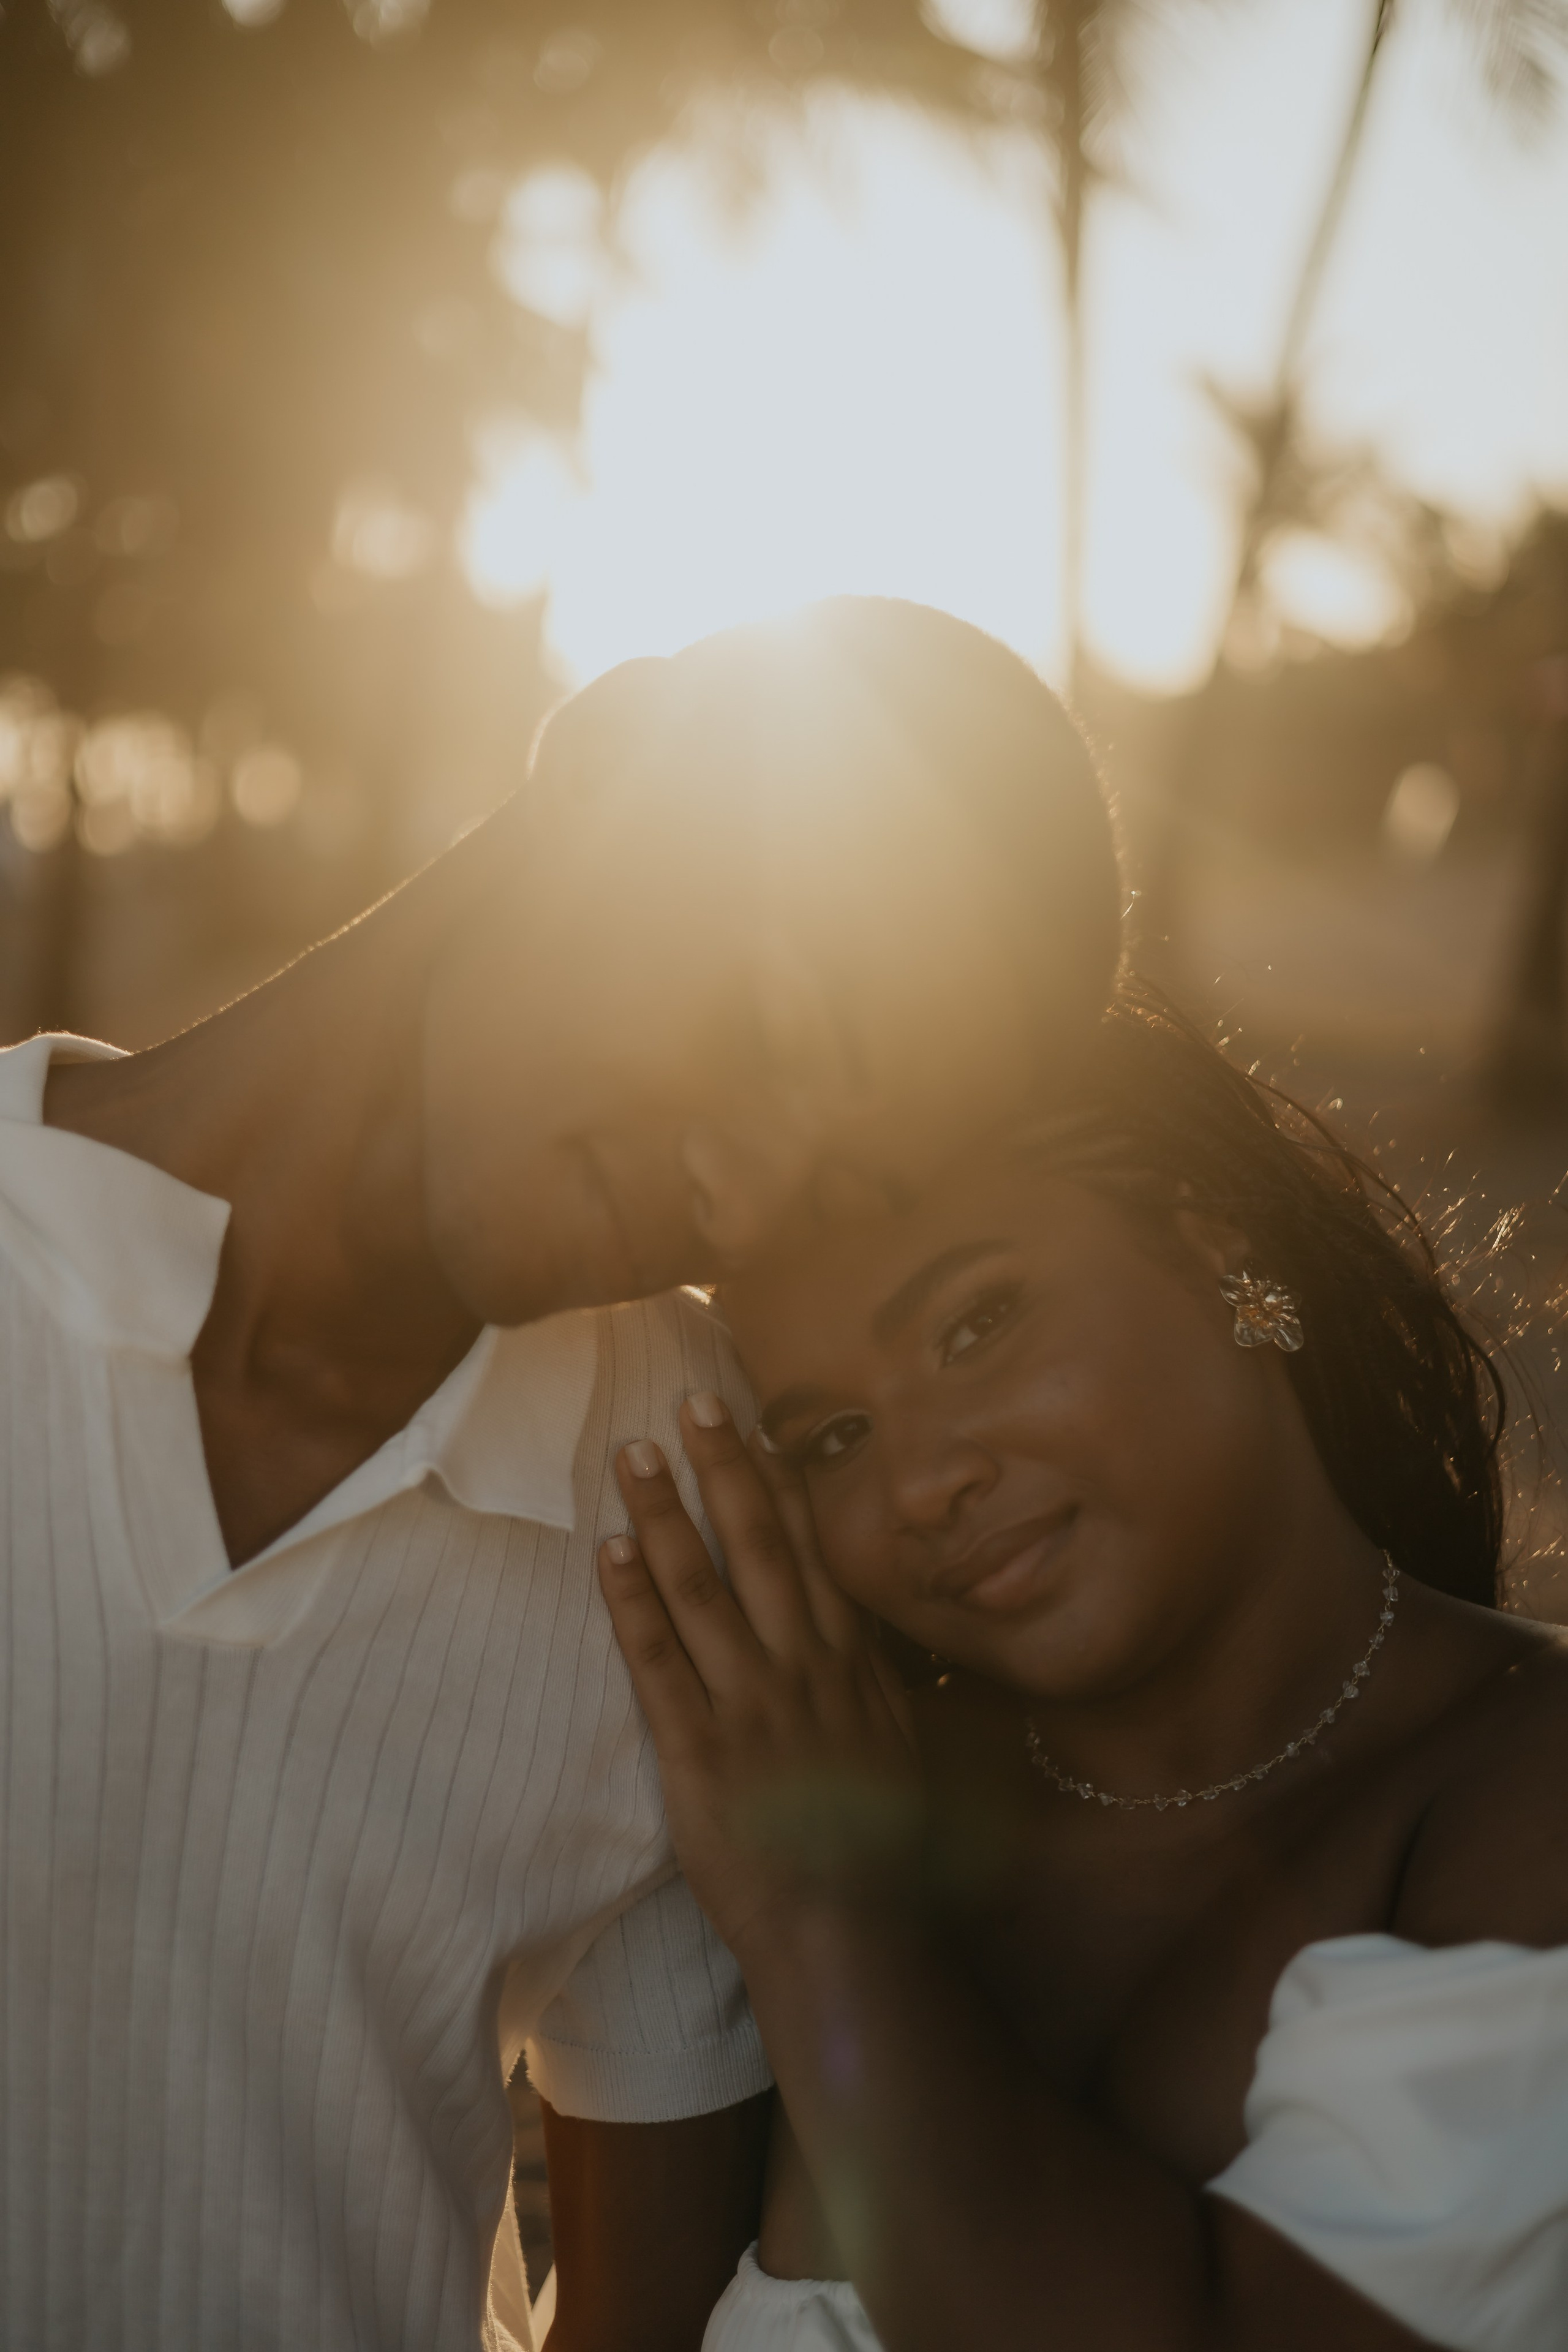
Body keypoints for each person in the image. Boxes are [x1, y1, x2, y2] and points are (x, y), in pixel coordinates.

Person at [0, 597, 1119, 2352]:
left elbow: (641, 2322)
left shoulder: (682, 1503)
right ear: (602, 764)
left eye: (830, 1192)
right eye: (765, 1031)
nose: (735, 1205)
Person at [600, 981, 1568, 2352]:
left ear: (1214, 1246)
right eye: (830, 1438)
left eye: (975, 1326)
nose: (922, 1482)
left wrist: (822, 1918)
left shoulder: (1519, 1782)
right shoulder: (835, 1773)